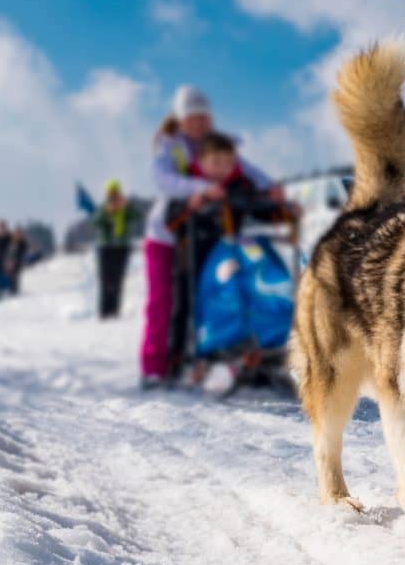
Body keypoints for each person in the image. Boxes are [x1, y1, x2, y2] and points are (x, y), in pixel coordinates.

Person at [140, 85, 282, 389]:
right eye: (192, 117)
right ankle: (156, 367)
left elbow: (247, 171)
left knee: (216, 292)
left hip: (205, 233)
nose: (198, 123)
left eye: (203, 117)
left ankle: (225, 357)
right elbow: (163, 180)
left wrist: (270, 188)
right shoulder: (171, 146)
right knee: (164, 301)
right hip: (167, 234)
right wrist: (200, 190)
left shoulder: (215, 145)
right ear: (180, 119)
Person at [94, 179, 141, 318]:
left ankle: (115, 311)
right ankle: (104, 311)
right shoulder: (103, 207)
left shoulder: (125, 207)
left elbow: (138, 216)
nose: (113, 197)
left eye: (115, 193)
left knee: (118, 279)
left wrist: (126, 207)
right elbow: (95, 221)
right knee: (105, 279)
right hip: (105, 247)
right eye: (110, 193)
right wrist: (107, 212)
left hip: (122, 247)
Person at [7, 226, 29, 295]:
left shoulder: (23, 243)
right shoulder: (11, 242)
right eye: (16, 233)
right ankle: (10, 290)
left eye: (19, 233)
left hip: (17, 263)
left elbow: (22, 253)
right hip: (10, 262)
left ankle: (14, 291)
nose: (17, 234)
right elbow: (8, 252)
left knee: (15, 276)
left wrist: (15, 260)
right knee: (9, 276)